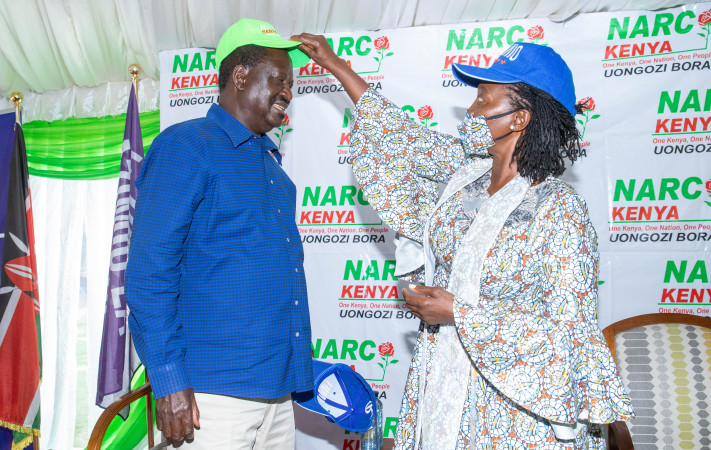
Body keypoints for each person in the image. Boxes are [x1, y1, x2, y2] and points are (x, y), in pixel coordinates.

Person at [292, 35, 635, 449]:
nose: (470, 110)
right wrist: (336, 64)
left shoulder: (560, 211)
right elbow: (394, 133)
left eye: (483, 99)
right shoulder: (464, 174)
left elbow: (569, 338)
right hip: (440, 383)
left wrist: (458, 312)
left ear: (519, 118)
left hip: (507, 414)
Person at [125, 19, 313, 449]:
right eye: (279, 79)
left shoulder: (276, 175)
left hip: (278, 395)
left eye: (291, 83)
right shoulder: (186, 146)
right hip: (211, 398)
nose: (288, 91)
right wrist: (169, 379)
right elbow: (148, 275)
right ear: (240, 75)